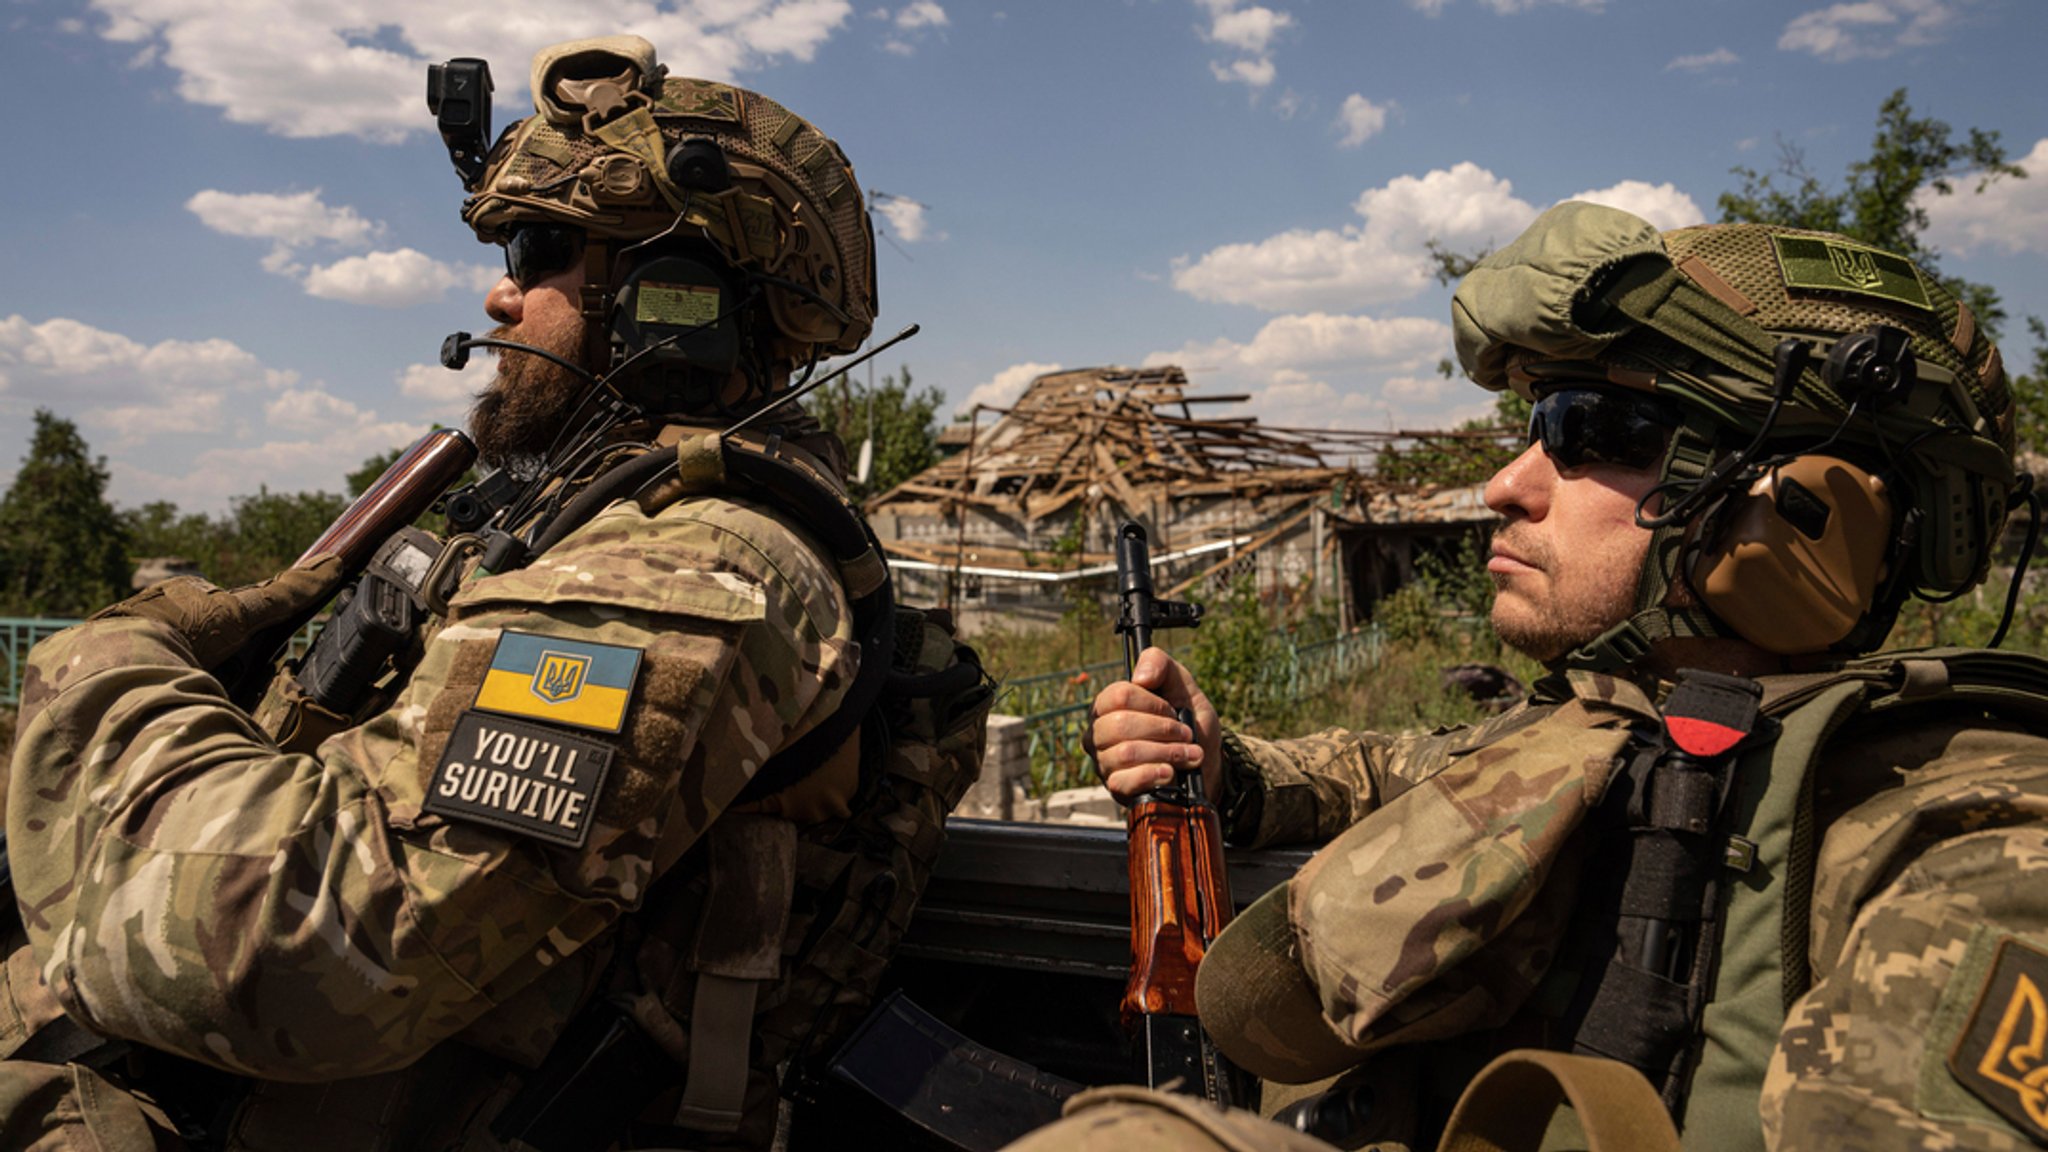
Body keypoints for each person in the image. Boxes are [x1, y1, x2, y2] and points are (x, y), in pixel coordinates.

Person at [0, 35, 986, 1151]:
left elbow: (287, 958)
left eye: (540, 246)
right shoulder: (595, 521)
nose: (498, 290)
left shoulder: (691, 565)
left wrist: (111, 669)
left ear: (677, 294)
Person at [1055, 203, 2048, 1151]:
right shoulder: (1607, 724)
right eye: (1531, 426)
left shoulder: (1967, 846)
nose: (1505, 484)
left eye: (1587, 429)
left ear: (1804, 504)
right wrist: (1225, 766)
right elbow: (1397, 768)